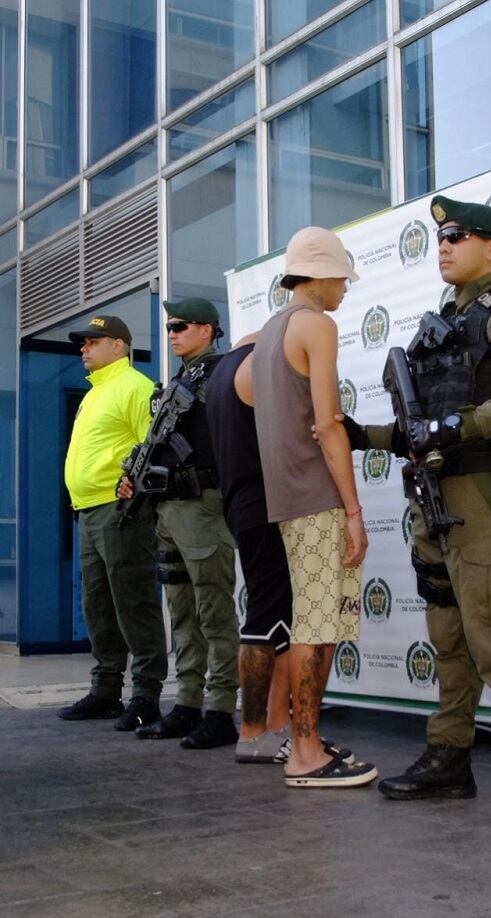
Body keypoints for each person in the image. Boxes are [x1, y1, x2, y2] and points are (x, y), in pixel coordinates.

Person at [349, 196, 491, 828]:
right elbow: (420, 429)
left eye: (459, 236)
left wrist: (454, 425)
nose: (444, 246)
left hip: (487, 502)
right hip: (432, 503)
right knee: (448, 640)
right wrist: (364, 436)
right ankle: (449, 757)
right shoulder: (438, 324)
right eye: (440, 238)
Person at [252, 226, 377, 789]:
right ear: (321, 276)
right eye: (342, 280)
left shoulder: (266, 333)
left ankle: (306, 742)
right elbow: (327, 425)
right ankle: (304, 752)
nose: (345, 291)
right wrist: (352, 508)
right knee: (316, 625)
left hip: (284, 498)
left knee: (315, 621)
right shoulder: (316, 325)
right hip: (316, 498)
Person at [204, 333, 354, 768]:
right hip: (270, 501)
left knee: (278, 618)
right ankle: (254, 733)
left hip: (242, 500)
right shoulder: (263, 363)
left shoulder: (224, 368)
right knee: (269, 618)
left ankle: (272, 729)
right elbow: (314, 430)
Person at [120, 298, 241, 749]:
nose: (171, 333)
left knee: (213, 610)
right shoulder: (179, 380)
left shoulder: (221, 375)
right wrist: (131, 474)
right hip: (168, 509)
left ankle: (221, 709)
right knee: (183, 613)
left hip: (201, 506)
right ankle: (188, 702)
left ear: (208, 329)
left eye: (181, 326)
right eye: (169, 327)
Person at [59, 315, 167, 731]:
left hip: (120, 512)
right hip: (87, 509)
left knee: (133, 601)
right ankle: (105, 691)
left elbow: (153, 451)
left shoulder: (136, 388)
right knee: (98, 606)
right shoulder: (94, 394)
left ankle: (146, 695)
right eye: (83, 343)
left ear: (119, 346)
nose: (84, 348)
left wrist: (136, 500)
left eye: (93, 341)